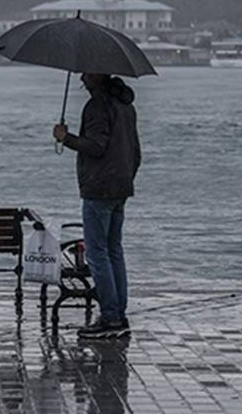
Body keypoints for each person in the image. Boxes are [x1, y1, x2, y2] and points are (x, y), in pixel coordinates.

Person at [52, 72, 141, 339]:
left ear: (97, 76)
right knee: (114, 250)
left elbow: (96, 147)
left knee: (97, 253)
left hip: (99, 188)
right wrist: (126, 177)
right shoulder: (126, 106)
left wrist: (65, 138)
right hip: (121, 186)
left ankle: (111, 317)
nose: (81, 76)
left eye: (87, 72)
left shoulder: (97, 107)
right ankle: (118, 315)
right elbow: (135, 151)